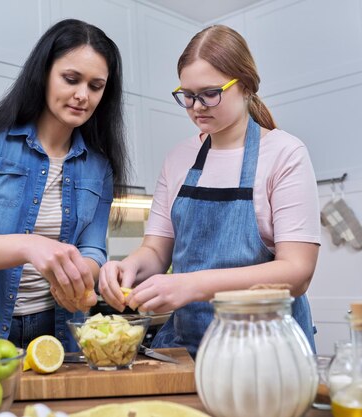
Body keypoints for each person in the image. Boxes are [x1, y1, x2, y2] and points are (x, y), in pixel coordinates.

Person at [98, 25, 320, 357]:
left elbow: (297, 272)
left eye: (210, 93)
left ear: (245, 86)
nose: (196, 106)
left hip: (269, 350)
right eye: (187, 95)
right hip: (190, 348)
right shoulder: (178, 159)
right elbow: (157, 252)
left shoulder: (285, 153)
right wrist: (127, 267)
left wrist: (191, 285)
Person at [0, 19, 129, 352]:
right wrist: (31, 246)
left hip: (60, 332)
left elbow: (93, 249)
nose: (82, 95)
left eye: (96, 86)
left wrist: (81, 274)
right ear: (43, 74)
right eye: (71, 79)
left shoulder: (100, 168)